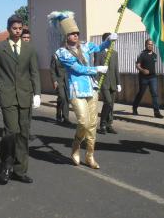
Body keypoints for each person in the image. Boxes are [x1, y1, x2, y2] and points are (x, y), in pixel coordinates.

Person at [49, 10, 116, 169]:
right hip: (76, 90)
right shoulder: (62, 52)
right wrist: (97, 69)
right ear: (66, 36)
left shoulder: (86, 45)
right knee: (84, 122)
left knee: (93, 124)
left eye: (77, 33)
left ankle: (90, 155)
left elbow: (99, 47)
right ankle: (76, 146)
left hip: (92, 89)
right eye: (72, 34)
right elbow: (77, 69)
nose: (75, 36)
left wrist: (109, 40)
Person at [0, 15, 41, 184]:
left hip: (25, 96)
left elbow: (34, 73)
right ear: (8, 29)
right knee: (11, 132)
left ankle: (20, 170)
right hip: (7, 96)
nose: (17, 31)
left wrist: (37, 93)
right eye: (14, 28)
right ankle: (6, 166)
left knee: (23, 134)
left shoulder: (29, 49)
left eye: (20, 28)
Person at [94, 32, 121, 135]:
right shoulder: (99, 52)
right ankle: (102, 125)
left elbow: (116, 69)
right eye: (111, 40)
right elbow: (96, 66)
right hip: (103, 82)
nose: (112, 42)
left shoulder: (114, 53)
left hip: (113, 82)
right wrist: (96, 81)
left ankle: (109, 124)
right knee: (108, 102)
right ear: (106, 41)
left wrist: (118, 83)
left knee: (111, 105)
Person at [131, 39, 164, 118]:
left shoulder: (154, 55)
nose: (150, 46)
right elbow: (137, 65)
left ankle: (156, 112)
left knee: (155, 94)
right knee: (141, 93)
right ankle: (134, 108)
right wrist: (142, 70)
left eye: (152, 44)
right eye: (149, 44)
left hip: (153, 77)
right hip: (143, 78)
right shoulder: (142, 54)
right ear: (146, 45)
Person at [50, 52, 70, 125]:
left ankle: (66, 118)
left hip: (68, 80)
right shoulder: (56, 55)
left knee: (67, 98)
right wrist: (54, 80)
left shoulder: (70, 55)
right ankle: (58, 114)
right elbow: (52, 69)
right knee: (62, 97)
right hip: (59, 80)